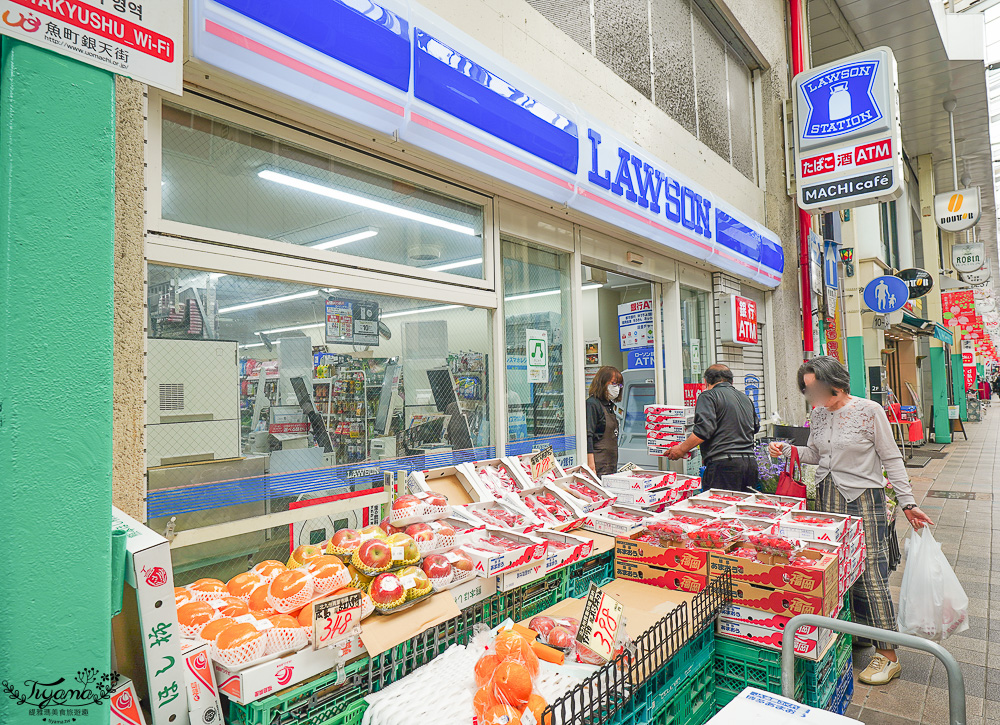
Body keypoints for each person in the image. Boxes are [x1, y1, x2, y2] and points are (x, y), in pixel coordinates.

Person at [768, 356, 934, 686]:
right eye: (806, 389)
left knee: (871, 570)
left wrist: (908, 503)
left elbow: (891, 458)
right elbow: (818, 455)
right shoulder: (816, 413)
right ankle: (858, 629)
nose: (811, 395)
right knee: (840, 568)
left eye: (815, 388)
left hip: (864, 497)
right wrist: (786, 451)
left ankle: (888, 654)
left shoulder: (869, 411)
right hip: (829, 495)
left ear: (836, 384)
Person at [667, 364, 760, 492]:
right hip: (750, 465)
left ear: (706, 381)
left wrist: (681, 449)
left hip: (724, 467)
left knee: (719, 509)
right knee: (742, 509)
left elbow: (703, 431)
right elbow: (755, 427)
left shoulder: (708, 396)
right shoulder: (745, 399)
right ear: (731, 381)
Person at [586, 366, 623, 476]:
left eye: (619, 385)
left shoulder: (610, 406)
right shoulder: (592, 404)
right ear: (602, 383)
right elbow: (588, 436)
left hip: (610, 465)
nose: (617, 388)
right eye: (613, 383)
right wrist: (591, 466)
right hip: (598, 466)